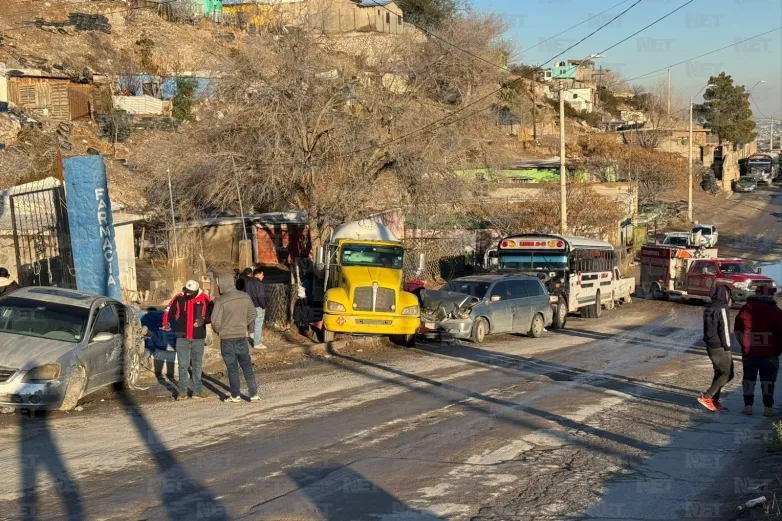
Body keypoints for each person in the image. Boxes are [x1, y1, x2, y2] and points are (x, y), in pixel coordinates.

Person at [211, 272, 261, 403]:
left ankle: (235, 395)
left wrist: (219, 331)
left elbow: (215, 321)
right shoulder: (245, 296)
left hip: (227, 338)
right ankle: (253, 394)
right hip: (241, 336)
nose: (218, 286)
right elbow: (252, 313)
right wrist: (245, 327)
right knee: (246, 365)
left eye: (218, 284)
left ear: (223, 284)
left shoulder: (221, 301)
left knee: (232, 368)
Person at [734, 285, 782, 417]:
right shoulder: (776, 311)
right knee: (768, 381)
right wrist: (778, 350)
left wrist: (744, 345)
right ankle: (768, 408)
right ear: (770, 296)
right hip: (769, 354)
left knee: (749, 379)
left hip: (749, 353)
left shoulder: (745, 308)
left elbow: (737, 330)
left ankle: (748, 406)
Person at [162, 280, 214, 401]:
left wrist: (203, 320)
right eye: (186, 291)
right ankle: (182, 391)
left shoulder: (205, 299)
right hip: (182, 336)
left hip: (198, 337)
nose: (188, 294)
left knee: (197, 364)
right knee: (182, 365)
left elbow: (213, 314)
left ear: (196, 291)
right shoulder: (179, 297)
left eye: (191, 292)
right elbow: (168, 310)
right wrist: (166, 322)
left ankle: (197, 390)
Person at [699, 284, 735, 412]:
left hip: (710, 345)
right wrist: (728, 347)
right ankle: (707, 396)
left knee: (719, 373)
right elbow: (724, 329)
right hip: (719, 346)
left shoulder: (708, 307)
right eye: (727, 293)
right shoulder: (722, 308)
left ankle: (714, 400)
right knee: (728, 373)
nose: (729, 296)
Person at [243, 267, 267, 349]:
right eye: (263, 274)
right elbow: (260, 296)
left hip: (248, 306)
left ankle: (247, 339)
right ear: (259, 274)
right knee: (258, 325)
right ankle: (257, 343)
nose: (263, 276)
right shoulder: (259, 283)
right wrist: (263, 306)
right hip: (257, 306)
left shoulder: (247, 282)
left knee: (248, 322)